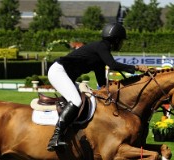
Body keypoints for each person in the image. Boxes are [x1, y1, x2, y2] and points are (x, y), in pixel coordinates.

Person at [47, 23, 145, 152]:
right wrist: (136, 68)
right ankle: (56, 137)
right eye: (121, 40)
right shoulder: (101, 47)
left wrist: (112, 91)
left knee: (90, 98)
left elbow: (101, 81)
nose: (121, 44)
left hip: (65, 75)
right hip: (58, 72)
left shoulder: (100, 52)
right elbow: (113, 64)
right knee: (76, 101)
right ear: (116, 39)